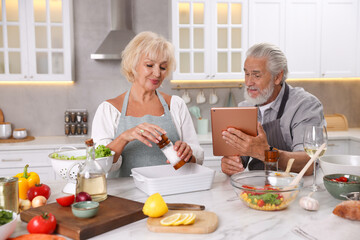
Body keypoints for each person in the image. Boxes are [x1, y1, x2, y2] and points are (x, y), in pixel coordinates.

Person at [92, 31, 204, 177]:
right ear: (133, 65)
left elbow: (197, 157)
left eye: (163, 67)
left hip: (172, 191)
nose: (157, 73)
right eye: (149, 65)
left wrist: (189, 153)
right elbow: (99, 165)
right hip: (126, 196)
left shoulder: (176, 105)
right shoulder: (109, 110)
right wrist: (124, 137)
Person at [221, 43, 325, 176]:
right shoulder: (244, 108)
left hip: (295, 187)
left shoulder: (305, 105)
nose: (248, 82)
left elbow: (309, 163)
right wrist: (232, 163)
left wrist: (267, 153)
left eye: (256, 75)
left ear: (277, 77)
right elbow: (238, 156)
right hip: (257, 185)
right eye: (246, 74)